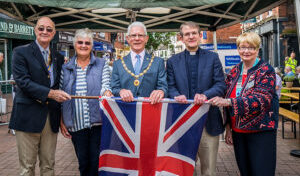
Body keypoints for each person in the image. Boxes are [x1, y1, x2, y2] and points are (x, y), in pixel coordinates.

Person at [208, 32, 278, 176]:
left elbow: (262, 99)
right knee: (244, 171)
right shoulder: (234, 71)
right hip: (238, 132)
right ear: (238, 49)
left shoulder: (266, 70)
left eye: (251, 47)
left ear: (257, 49)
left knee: (261, 172)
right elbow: (226, 98)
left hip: (260, 131)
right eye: (242, 47)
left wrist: (229, 101)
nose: (246, 51)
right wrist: (228, 129)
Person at [9, 17, 71, 176]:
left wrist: (62, 119)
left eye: (49, 29)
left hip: (51, 118)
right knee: (27, 167)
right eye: (41, 28)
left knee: (48, 166)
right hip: (27, 116)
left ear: (54, 33)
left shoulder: (57, 57)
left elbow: (58, 85)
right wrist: (51, 94)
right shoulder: (20, 52)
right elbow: (22, 81)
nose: (45, 32)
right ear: (35, 30)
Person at [167, 21, 226, 176]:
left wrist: (206, 94)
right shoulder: (172, 61)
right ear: (181, 38)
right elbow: (169, 86)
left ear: (200, 36)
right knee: (185, 170)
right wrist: (175, 95)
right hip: (182, 123)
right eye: (187, 34)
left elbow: (221, 84)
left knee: (209, 171)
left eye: (194, 33)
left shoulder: (213, 58)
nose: (191, 36)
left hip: (209, 123)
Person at [60, 28, 112, 176]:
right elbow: (61, 96)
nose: (83, 45)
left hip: (98, 123)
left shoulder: (101, 64)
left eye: (87, 43)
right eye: (80, 42)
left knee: (96, 162)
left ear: (92, 45)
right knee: (83, 162)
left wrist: (107, 92)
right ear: (75, 44)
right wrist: (62, 120)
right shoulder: (66, 68)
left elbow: (106, 85)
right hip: (76, 124)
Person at [111, 21, 167, 104]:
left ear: (146, 38)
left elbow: (164, 87)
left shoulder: (158, 62)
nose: (137, 38)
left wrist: (160, 91)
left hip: (151, 110)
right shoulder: (117, 64)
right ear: (128, 39)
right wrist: (121, 91)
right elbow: (114, 88)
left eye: (140, 35)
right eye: (133, 35)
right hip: (125, 112)